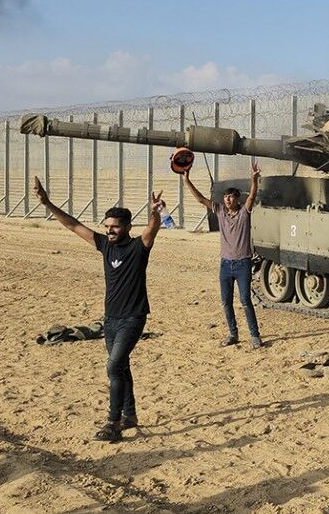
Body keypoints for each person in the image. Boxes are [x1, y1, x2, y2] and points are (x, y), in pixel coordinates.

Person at [33, 176, 165, 443]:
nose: (109, 231)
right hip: (110, 319)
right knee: (121, 367)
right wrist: (47, 203)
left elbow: (152, 229)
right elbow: (73, 225)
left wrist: (154, 214)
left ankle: (113, 422)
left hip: (133, 318)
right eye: (106, 227)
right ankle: (130, 416)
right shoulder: (105, 246)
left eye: (115, 227)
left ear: (128, 227)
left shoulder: (139, 247)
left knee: (113, 367)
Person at [183, 161, 264, 349]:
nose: (227, 200)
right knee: (226, 302)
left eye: (231, 197)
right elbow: (201, 199)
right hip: (226, 265)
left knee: (245, 300)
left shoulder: (244, 212)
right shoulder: (220, 212)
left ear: (237, 199)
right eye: (226, 197)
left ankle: (254, 335)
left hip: (243, 264)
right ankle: (233, 334)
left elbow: (252, 196)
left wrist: (254, 180)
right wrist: (187, 181)